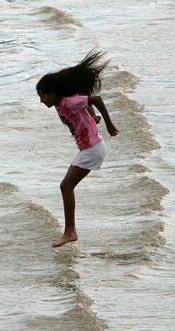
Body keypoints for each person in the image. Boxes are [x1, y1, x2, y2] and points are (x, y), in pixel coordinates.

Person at [36, 50, 119, 248]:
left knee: (66, 186)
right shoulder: (60, 103)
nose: (41, 101)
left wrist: (108, 123)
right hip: (88, 148)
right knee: (66, 185)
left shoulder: (67, 102)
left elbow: (96, 99)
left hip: (93, 148)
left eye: (43, 96)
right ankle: (70, 231)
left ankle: (70, 231)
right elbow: (84, 96)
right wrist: (92, 117)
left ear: (53, 93)